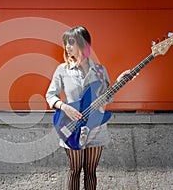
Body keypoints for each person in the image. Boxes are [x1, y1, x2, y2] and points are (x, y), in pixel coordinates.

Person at [46, 26, 131, 190]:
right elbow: (50, 95)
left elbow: (106, 98)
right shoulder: (62, 70)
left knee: (91, 171)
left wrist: (119, 82)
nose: (67, 47)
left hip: (96, 126)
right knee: (74, 170)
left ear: (83, 43)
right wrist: (65, 107)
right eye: (65, 43)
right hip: (72, 127)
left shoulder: (99, 70)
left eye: (71, 42)